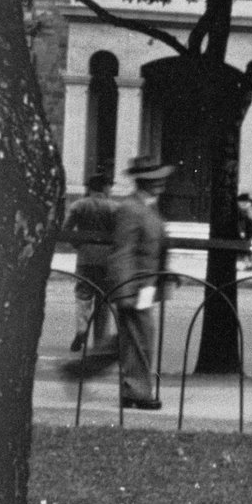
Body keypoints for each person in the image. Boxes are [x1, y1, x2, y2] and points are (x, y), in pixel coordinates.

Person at [108, 155, 174, 410]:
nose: (159, 183)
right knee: (140, 339)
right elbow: (123, 251)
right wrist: (124, 290)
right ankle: (137, 392)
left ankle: (130, 388)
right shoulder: (130, 208)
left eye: (160, 178)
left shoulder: (149, 206)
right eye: (153, 180)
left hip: (147, 286)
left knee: (137, 338)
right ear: (141, 181)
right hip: (135, 286)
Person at [62, 174, 117, 356]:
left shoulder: (78, 205)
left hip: (85, 257)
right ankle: (100, 340)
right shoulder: (115, 207)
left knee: (83, 295)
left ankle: (81, 329)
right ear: (104, 187)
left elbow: (67, 230)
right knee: (104, 299)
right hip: (107, 259)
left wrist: (79, 245)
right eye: (109, 185)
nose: (111, 189)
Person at [235, 192, 252, 270]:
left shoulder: (244, 213)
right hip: (243, 234)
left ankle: (248, 263)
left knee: (246, 250)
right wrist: (242, 232)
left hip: (249, 234)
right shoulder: (240, 213)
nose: (249, 206)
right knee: (243, 250)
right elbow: (241, 223)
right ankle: (245, 264)